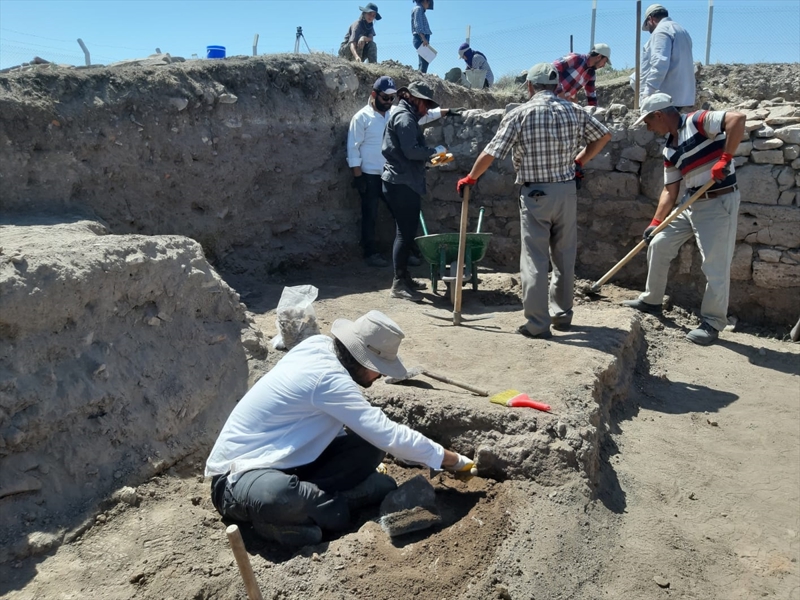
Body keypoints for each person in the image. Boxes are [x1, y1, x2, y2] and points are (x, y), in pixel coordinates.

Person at [206, 310, 476, 546]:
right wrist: (450, 459)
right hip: (237, 478)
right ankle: (322, 511)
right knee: (283, 497)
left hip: (291, 460)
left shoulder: (320, 346)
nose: (381, 375)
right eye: (378, 367)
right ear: (361, 359)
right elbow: (390, 435)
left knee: (370, 445)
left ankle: (312, 507)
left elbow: (353, 429)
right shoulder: (329, 378)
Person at [456, 63, 611, 339]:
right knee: (564, 256)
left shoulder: (520, 114)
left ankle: (538, 324)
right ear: (557, 86)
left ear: (530, 86)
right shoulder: (574, 110)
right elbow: (604, 136)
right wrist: (580, 161)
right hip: (567, 191)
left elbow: (492, 152)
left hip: (536, 195)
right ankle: (562, 315)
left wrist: (471, 177)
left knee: (534, 260)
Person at [622, 93, 745, 346]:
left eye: (648, 121)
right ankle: (652, 300)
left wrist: (725, 159)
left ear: (659, 115)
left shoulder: (697, 121)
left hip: (718, 201)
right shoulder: (669, 148)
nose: (648, 128)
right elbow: (670, 190)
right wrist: (655, 223)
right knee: (659, 243)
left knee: (715, 264)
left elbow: (737, 119)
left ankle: (713, 322)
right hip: (690, 203)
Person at [347, 76, 458, 268]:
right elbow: (353, 148)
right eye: (385, 98)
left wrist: (447, 112)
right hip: (370, 175)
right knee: (370, 214)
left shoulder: (394, 113)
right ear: (374, 94)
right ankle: (371, 252)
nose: (389, 102)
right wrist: (358, 177)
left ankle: (407, 252)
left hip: (391, 175)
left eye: (392, 98)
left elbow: (423, 115)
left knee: (401, 216)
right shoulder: (361, 118)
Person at [382, 81, 447, 300]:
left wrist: (429, 158)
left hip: (402, 180)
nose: (427, 110)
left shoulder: (406, 115)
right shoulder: (405, 118)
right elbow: (411, 151)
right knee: (404, 233)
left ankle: (404, 278)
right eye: (426, 105)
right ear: (415, 99)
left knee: (407, 232)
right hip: (401, 183)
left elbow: (406, 152)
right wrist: (433, 151)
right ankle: (398, 283)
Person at [631, 3, 695, 108]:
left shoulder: (661, 31)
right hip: (684, 98)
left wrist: (647, 94)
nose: (649, 31)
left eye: (647, 26)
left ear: (650, 19)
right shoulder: (682, 31)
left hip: (666, 99)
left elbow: (660, 64)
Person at [552, 43, 612, 107]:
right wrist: (560, 91)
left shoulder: (591, 74)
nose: (603, 65)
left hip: (560, 104)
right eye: (604, 62)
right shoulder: (576, 59)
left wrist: (595, 109)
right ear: (598, 57)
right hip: (548, 97)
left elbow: (591, 97)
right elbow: (553, 68)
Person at [411, 0, 434, 73]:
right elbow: (418, 24)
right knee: (425, 60)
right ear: (425, 1)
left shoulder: (418, 9)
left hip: (420, 37)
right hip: (420, 37)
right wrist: (423, 38)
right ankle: (422, 75)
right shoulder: (419, 9)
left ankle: (420, 74)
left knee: (423, 59)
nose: (428, 5)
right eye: (429, 3)